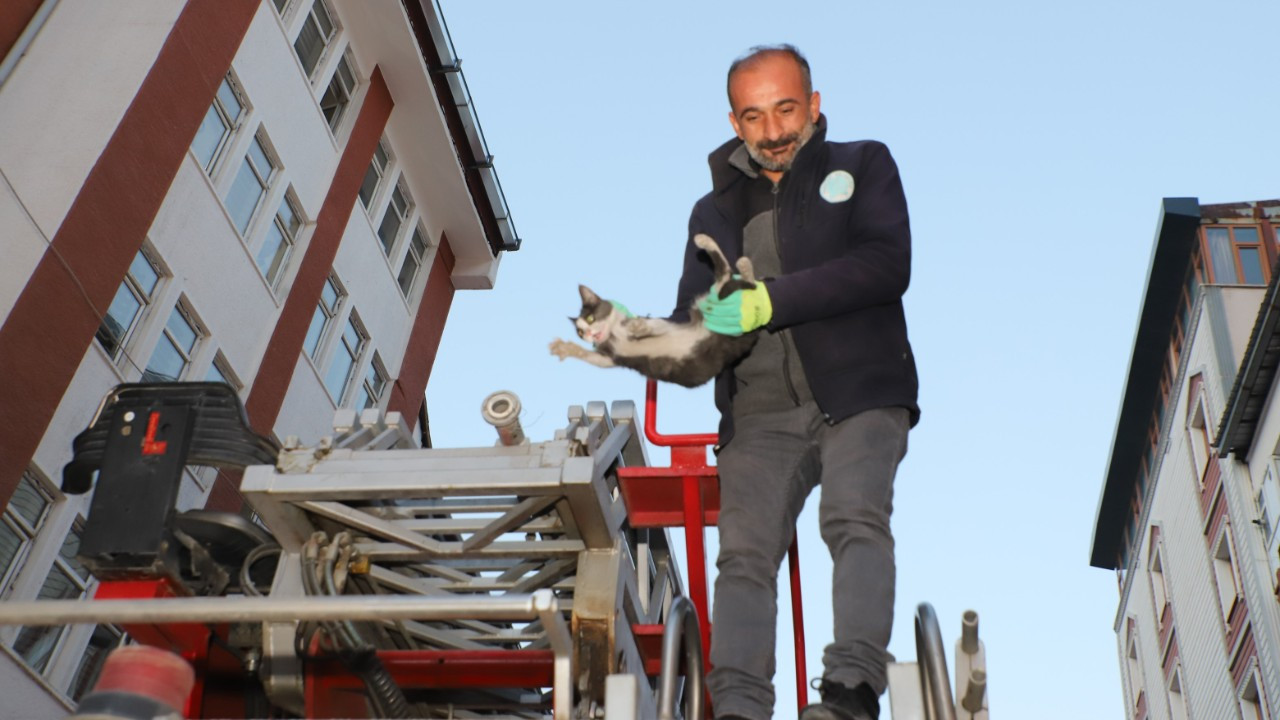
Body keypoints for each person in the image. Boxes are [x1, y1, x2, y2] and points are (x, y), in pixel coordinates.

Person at [670, 45, 919, 720]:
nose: (774, 131)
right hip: (759, 414)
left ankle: (849, 693)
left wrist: (769, 300)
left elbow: (884, 263)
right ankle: (741, 708)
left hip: (860, 391)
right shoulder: (713, 210)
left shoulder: (861, 164)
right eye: (755, 117)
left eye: (786, 109)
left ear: (813, 104)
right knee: (744, 557)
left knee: (853, 516)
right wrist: (662, 339)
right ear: (734, 121)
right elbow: (695, 317)